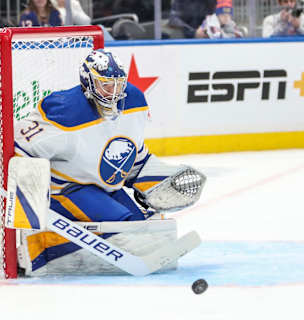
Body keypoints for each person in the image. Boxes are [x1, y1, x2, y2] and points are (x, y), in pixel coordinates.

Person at [14, 49, 205, 274]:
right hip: (67, 189)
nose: (114, 93)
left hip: (106, 187)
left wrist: (153, 179)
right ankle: (37, 247)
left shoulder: (135, 102)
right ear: (89, 83)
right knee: (121, 227)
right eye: (106, 85)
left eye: (118, 84)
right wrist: (29, 200)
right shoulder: (66, 113)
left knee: (144, 226)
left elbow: (134, 154)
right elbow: (19, 146)